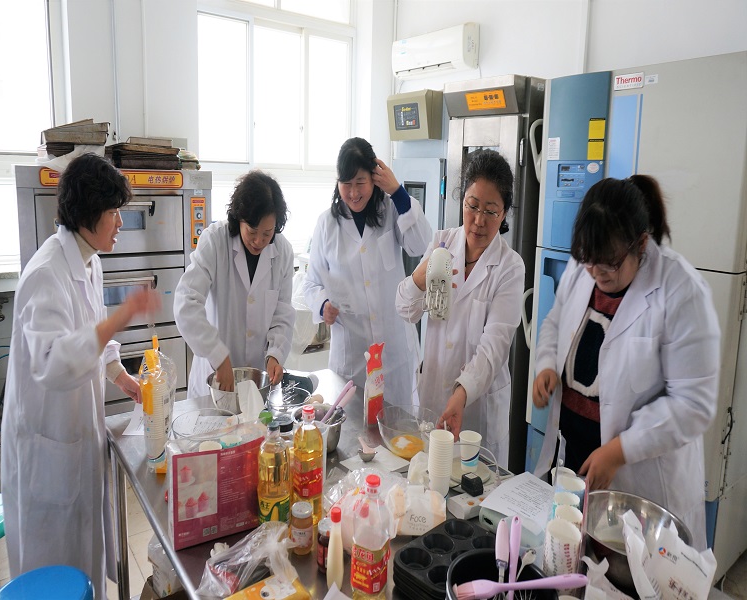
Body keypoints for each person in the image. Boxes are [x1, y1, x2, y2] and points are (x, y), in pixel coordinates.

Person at [1, 153, 160, 598]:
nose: (120, 223)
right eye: (114, 212)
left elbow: (90, 331)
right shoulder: (45, 273)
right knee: (51, 574)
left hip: (76, 435)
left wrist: (118, 374)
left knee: (83, 570)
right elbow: (52, 363)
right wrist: (123, 316)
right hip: (45, 448)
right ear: (89, 213)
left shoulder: (89, 260)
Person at [532, 175, 719, 549]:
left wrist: (619, 451)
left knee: (627, 563)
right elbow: (557, 318)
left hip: (640, 476)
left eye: (609, 265)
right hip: (575, 451)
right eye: (589, 262)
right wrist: (547, 364)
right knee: (572, 554)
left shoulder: (681, 291)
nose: (596, 273)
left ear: (641, 244)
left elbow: (693, 404)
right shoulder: (589, 260)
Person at [396, 149, 525, 468]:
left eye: (491, 211)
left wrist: (462, 392)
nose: (479, 220)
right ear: (462, 200)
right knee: (430, 486)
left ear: (504, 214)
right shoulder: (441, 243)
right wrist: (420, 277)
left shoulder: (509, 267)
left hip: (478, 411)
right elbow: (406, 310)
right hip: (433, 396)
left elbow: (494, 347)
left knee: (474, 488)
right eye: (472, 206)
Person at [301, 137, 432, 406]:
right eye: (346, 183)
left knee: (398, 425)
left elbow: (421, 244)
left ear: (374, 178)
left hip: (393, 351)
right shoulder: (326, 224)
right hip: (352, 356)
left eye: (360, 182)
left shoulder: (391, 210)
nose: (353, 193)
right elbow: (311, 283)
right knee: (352, 426)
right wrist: (323, 305)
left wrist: (398, 192)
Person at [175, 170, 295, 397]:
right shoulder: (215, 241)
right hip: (213, 383)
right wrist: (218, 355)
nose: (259, 241)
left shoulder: (283, 252)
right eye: (252, 231)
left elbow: (282, 313)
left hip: (256, 385)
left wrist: (275, 354)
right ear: (239, 218)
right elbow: (186, 303)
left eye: (267, 233)